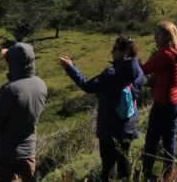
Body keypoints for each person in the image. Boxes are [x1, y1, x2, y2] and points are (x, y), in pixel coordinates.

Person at [58, 36, 145, 182]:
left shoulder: (111, 73)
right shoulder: (138, 71)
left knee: (107, 166)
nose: (112, 52)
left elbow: (87, 86)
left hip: (110, 127)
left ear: (124, 52)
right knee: (124, 159)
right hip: (129, 124)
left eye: (114, 49)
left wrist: (71, 68)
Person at [0, 42, 48, 182]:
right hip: (29, 149)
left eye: (8, 60)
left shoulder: (9, 90)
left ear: (14, 63)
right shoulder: (41, 84)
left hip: (6, 152)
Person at [140, 21, 177, 181]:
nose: (155, 36)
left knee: (152, 139)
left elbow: (144, 70)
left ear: (166, 36)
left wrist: (133, 63)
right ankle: (168, 172)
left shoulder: (165, 54)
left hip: (163, 102)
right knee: (169, 138)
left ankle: (146, 174)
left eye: (158, 34)